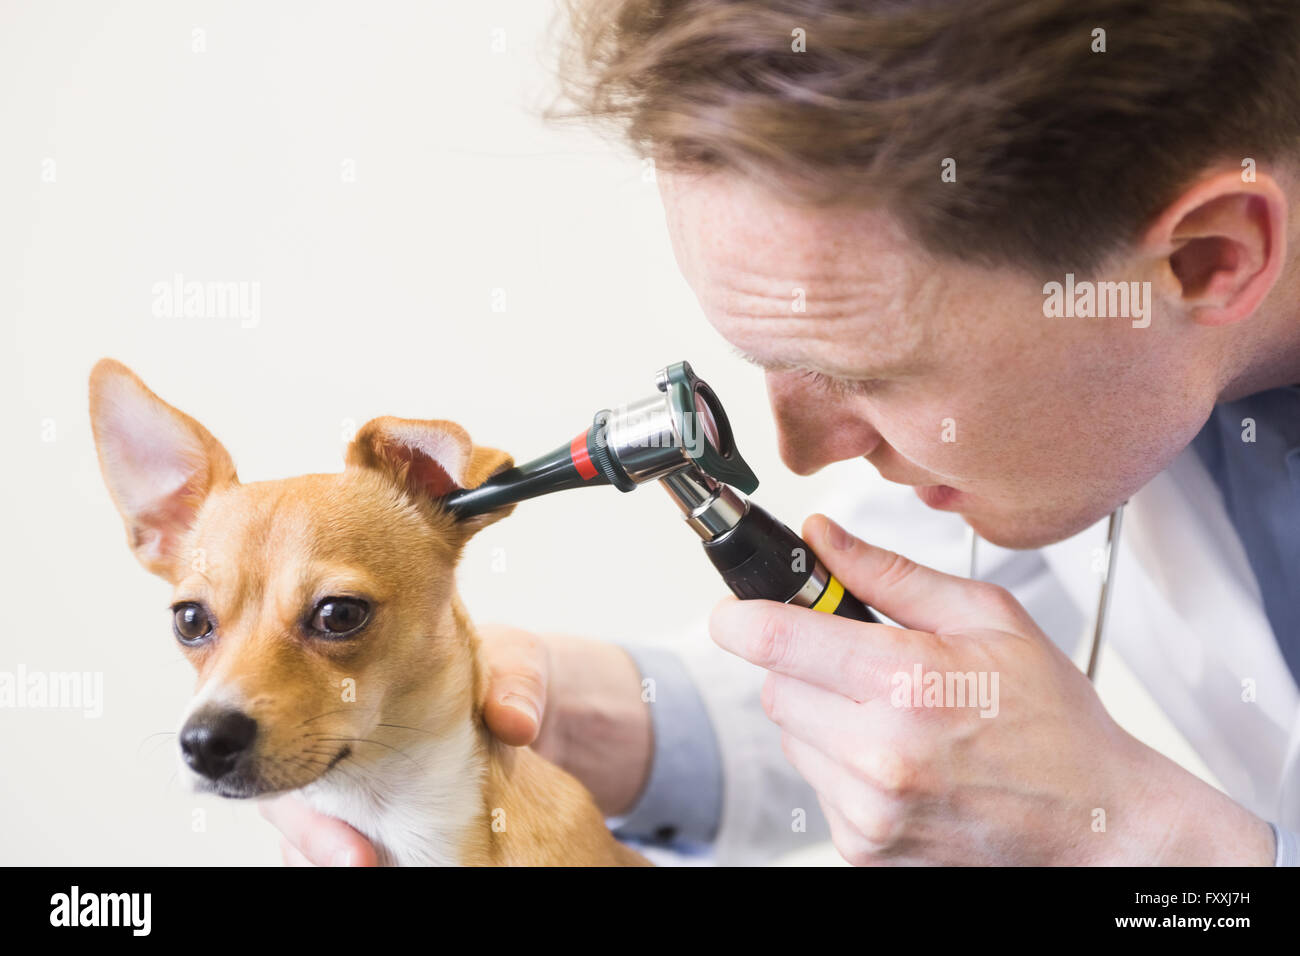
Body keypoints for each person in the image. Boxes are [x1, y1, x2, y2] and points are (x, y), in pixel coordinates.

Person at [265, 0, 1300, 865]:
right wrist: (523, 711)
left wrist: (1145, 842)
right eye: (768, 359)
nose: (799, 452)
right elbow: (892, 698)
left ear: (1209, 258)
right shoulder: (1069, 387)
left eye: (865, 373)